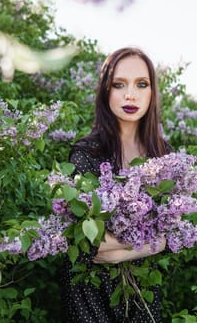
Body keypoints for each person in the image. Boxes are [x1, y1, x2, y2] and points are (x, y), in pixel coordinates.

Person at [60, 47, 171, 323]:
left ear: (152, 92)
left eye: (141, 84)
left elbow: (171, 235)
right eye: (118, 84)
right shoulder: (87, 153)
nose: (130, 94)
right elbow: (86, 244)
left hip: (143, 293)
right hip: (90, 294)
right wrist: (151, 242)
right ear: (105, 92)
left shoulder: (164, 155)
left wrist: (123, 251)